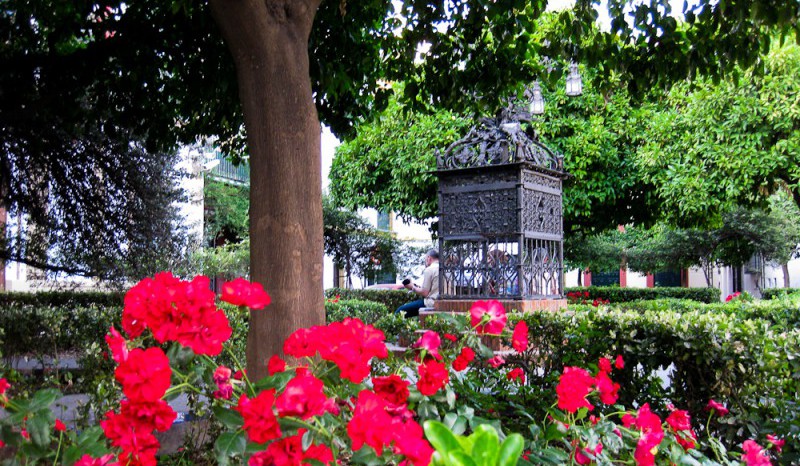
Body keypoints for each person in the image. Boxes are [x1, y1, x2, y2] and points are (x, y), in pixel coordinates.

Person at [395, 249, 440, 318]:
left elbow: (425, 293)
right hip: (446, 303)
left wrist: (412, 287)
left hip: (431, 303)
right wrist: (415, 286)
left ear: (429, 258)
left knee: (400, 311)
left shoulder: (430, 269)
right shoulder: (446, 269)